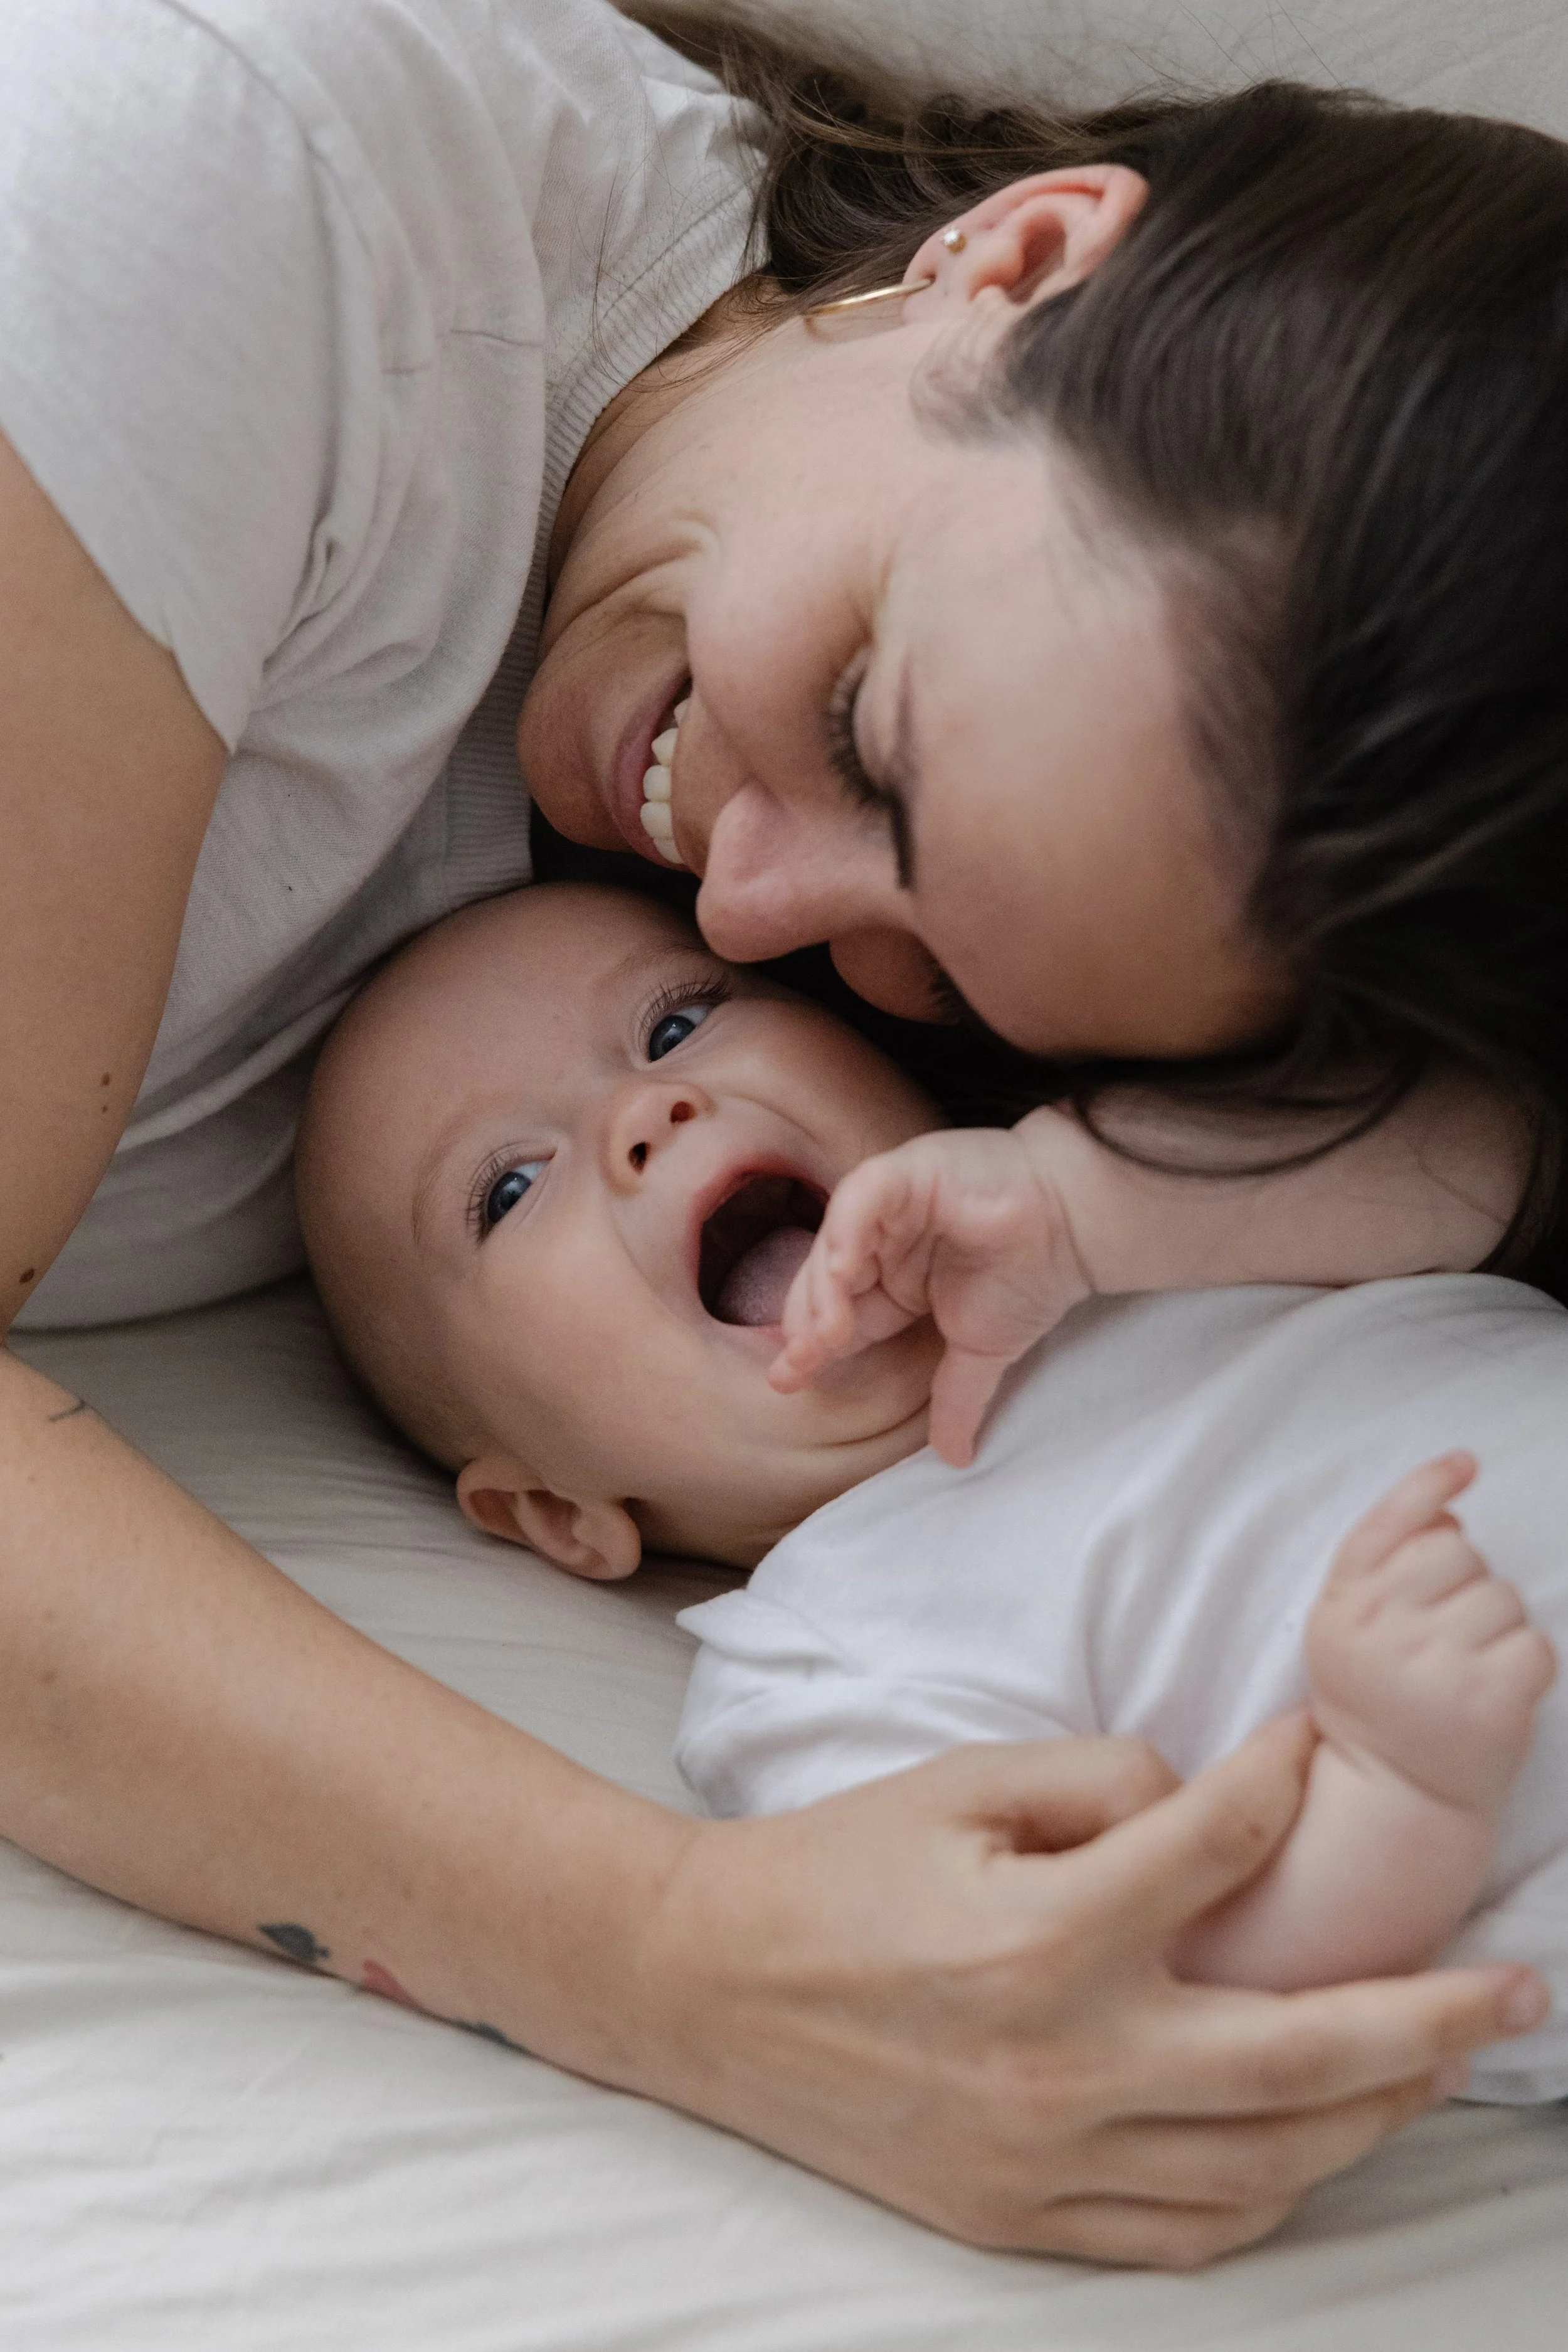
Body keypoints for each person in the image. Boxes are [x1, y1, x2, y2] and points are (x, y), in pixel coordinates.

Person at [1, 0, 1561, 2265]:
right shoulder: (219, 196)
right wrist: (679, 1958)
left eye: (933, 967)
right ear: (1012, 258)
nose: (749, 901)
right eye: (857, 720)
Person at [297, 880, 1562, 2096]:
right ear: (556, 1513)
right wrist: (1395, 1798)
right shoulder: (818, 1662)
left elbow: (1484, 1159)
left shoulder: (1111, 1195)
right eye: (507, 1189)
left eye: (674, 1022)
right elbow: (1092, 1968)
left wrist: (1093, 1206)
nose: (649, 1110)